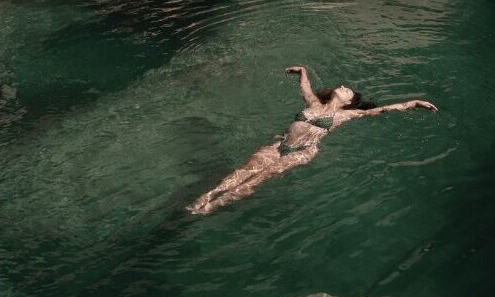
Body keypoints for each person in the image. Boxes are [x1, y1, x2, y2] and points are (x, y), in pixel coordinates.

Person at [188, 65, 438, 215]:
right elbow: (305, 87)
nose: (342, 86)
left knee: (258, 178)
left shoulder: (346, 115)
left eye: (347, 89)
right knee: (243, 170)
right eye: (342, 86)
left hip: (302, 152)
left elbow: (381, 110)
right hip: (280, 144)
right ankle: (208, 195)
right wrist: (303, 71)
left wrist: (413, 103)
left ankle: (215, 205)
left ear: (349, 100)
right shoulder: (313, 103)